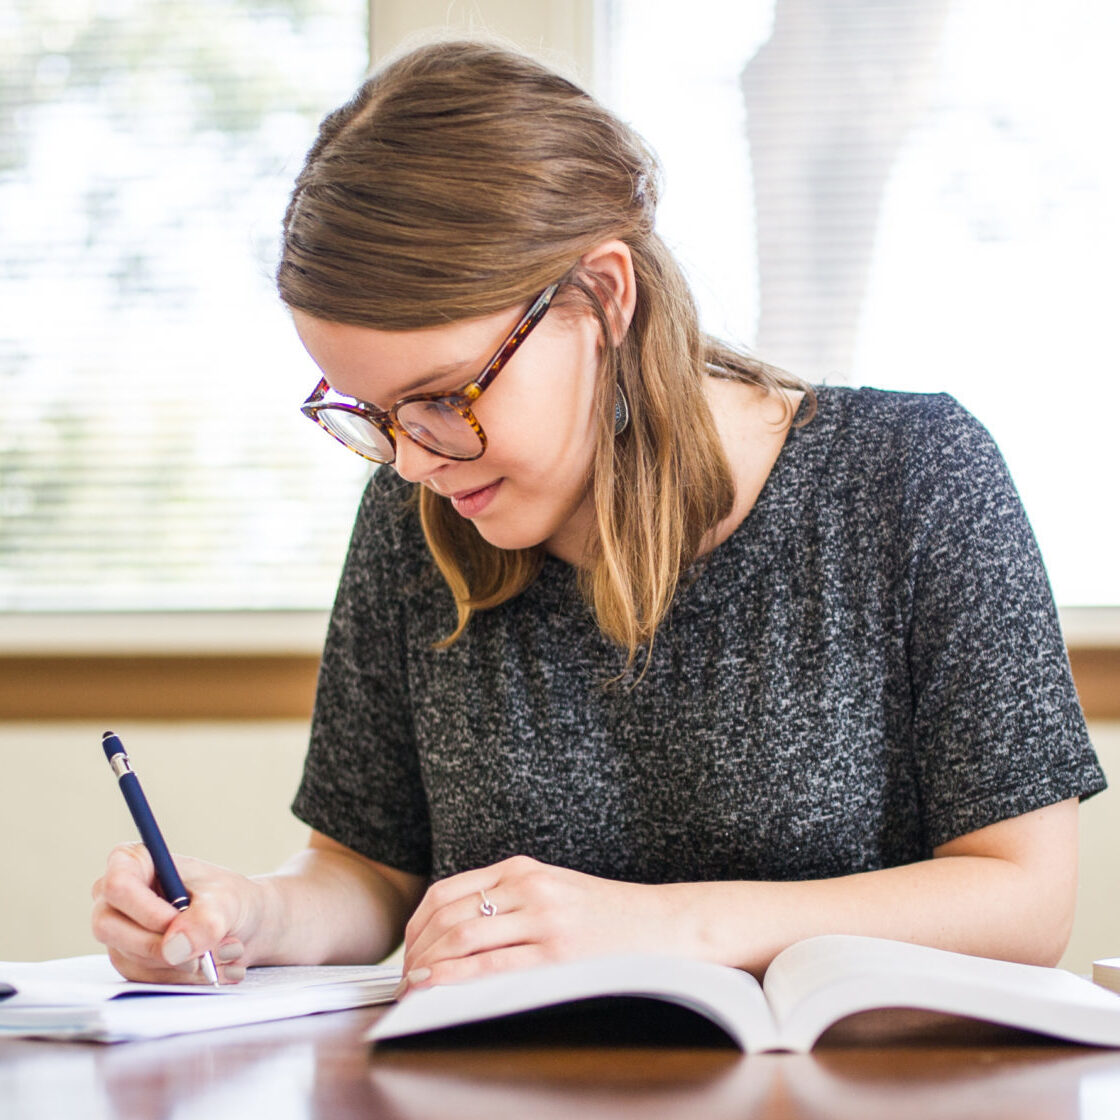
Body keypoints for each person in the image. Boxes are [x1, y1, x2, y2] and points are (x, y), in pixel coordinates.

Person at [91, 39, 1104, 991]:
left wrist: (663, 927)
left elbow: (1022, 895)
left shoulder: (911, 475)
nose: (411, 459)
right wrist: (246, 917)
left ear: (602, 295)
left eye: (447, 395)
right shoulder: (415, 517)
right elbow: (366, 872)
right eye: (374, 413)